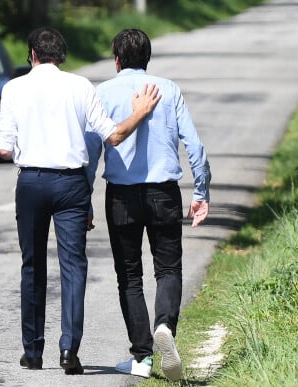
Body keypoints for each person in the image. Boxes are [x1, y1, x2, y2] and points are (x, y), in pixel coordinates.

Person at [0, 27, 161, 375]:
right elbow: (112, 135)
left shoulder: (14, 88)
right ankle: (69, 350)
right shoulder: (81, 86)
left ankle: (33, 351)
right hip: (71, 184)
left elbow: (4, 147)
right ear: (62, 56)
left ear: (32, 55)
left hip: (32, 182)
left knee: (33, 264)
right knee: (73, 267)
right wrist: (138, 114)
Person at [85, 28, 211, 381]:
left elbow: (90, 155)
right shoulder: (168, 90)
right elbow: (195, 148)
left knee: (129, 276)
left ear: (116, 60)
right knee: (168, 268)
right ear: (148, 58)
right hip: (163, 192)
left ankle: (142, 357)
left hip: (122, 195)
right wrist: (201, 192)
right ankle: (165, 327)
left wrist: (84, 200)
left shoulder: (103, 93)